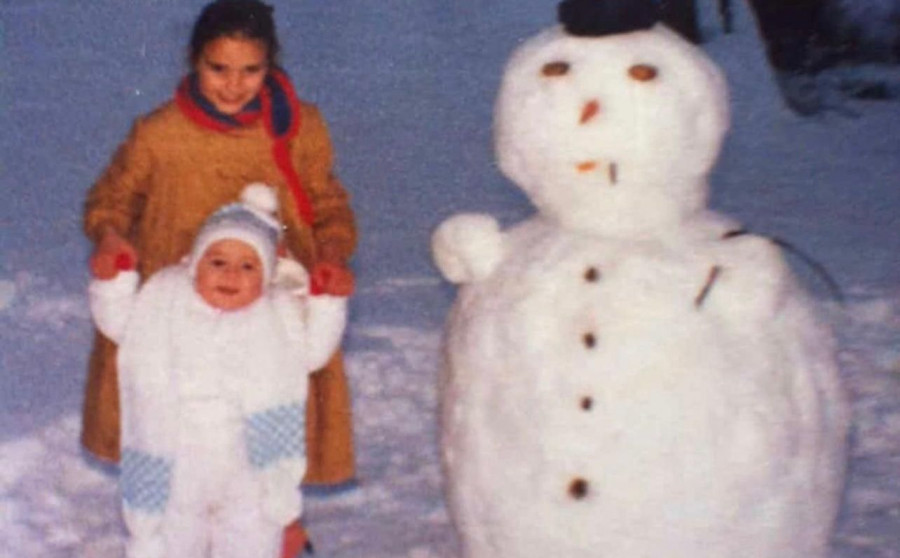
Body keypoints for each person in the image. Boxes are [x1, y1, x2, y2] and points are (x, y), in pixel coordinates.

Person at [82, 0, 357, 489]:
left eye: (251, 70)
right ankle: (178, 520)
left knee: (269, 407)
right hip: (180, 299)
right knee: (186, 415)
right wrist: (110, 235)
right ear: (194, 61)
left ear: (271, 65)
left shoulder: (297, 127)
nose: (234, 84)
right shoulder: (160, 133)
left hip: (273, 295)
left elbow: (327, 201)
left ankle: (276, 522)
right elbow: (112, 197)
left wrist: (332, 253)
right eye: (219, 68)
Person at [89, 184, 342, 557]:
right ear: (194, 263)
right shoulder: (165, 298)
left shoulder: (278, 315)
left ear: (267, 275)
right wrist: (113, 283)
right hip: (174, 460)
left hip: (249, 463)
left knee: (252, 537)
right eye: (217, 262)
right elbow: (123, 325)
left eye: (247, 266)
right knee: (168, 540)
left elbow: (312, 352)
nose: (230, 275)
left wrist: (328, 303)